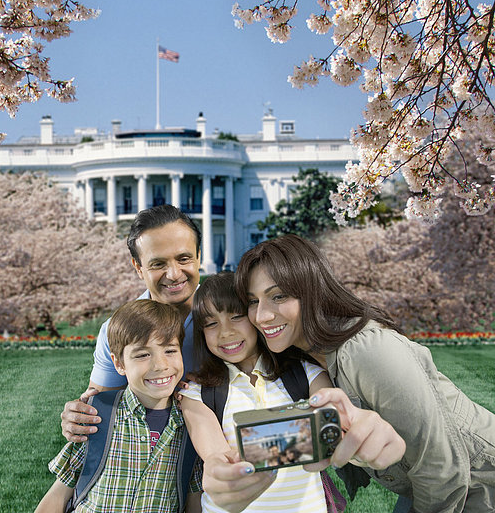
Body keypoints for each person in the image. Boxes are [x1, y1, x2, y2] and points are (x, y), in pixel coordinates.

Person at [220, 233, 495, 513]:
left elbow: (442, 466)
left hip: (481, 482)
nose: (262, 315)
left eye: (278, 296)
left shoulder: (366, 350)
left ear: (312, 291)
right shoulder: (304, 359)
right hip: (426, 485)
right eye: (253, 301)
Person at [179, 272, 338, 513]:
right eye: (211, 323)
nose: (225, 332)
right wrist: (306, 432)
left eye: (236, 316)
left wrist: (252, 443)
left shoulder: (305, 373)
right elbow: (219, 458)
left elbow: (331, 427)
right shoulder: (196, 394)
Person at [34, 299, 202, 513]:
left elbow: (194, 501)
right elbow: (58, 495)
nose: (161, 365)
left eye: (170, 351)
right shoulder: (98, 416)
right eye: (142, 355)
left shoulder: (191, 425)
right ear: (119, 363)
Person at [60, 204, 202, 442]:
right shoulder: (117, 329)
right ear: (138, 267)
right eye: (158, 264)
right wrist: (77, 417)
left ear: (199, 256)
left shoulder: (230, 317)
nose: (174, 274)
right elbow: (101, 404)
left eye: (184, 258)